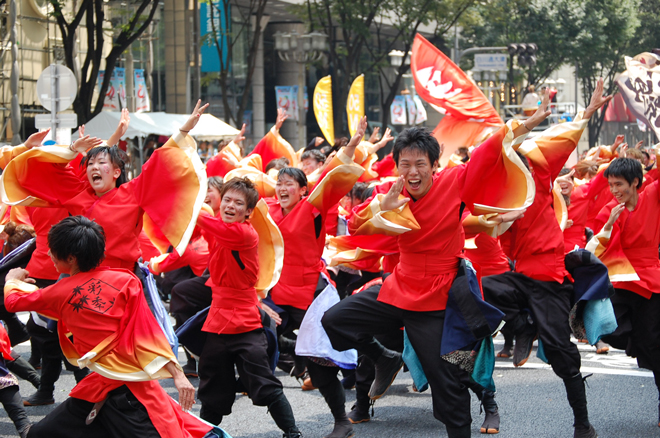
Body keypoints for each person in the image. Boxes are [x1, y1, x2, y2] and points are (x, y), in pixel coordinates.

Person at [320, 94, 546, 437]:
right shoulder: (390, 192)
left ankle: (481, 406)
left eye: (420, 164)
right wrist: (384, 205)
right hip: (398, 288)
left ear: (434, 165)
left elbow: (488, 152)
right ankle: (383, 357)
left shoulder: (454, 181)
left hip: (438, 298)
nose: (412, 172)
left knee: (449, 381)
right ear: (397, 166)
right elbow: (354, 225)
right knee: (335, 320)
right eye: (405, 164)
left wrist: (525, 124)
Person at [4, 216, 215, 438]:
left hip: (129, 393)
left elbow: (13, 302)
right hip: (103, 386)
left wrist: (13, 279)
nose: (49, 254)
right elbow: (148, 331)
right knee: (41, 433)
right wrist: (177, 374)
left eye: (53, 251)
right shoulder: (126, 281)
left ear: (71, 258)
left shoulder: (60, 291)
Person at [481, 81, 611, 438]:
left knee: (559, 351)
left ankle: (582, 423)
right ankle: (522, 325)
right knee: (481, 287)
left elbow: (563, 141)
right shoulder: (501, 195)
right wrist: (499, 219)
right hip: (520, 275)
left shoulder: (539, 175)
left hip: (549, 278)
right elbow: (487, 226)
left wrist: (587, 112)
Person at [264, 117, 368, 438]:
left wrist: (351, 146)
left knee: (321, 365)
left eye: (289, 184)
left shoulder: (313, 207)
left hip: (311, 295)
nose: (282, 188)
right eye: (279, 183)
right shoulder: (266, 210)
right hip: (277, 295)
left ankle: (342, 420)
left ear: (303, 190)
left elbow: (331, 177)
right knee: (255, 334)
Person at [194, 177, 302, 438]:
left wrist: (186, 201)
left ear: (249, 212)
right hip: (218, 320)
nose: (230, 206)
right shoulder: (222, 228)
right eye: (227, 200)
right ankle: (204, 435)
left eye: (238, 203)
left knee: (264, 382)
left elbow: (201, 219)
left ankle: (293, 433)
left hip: (245, 322)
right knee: (212, 386)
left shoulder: (243, 233)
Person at [586, 156, 660, 428]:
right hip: (621, 276)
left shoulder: (652, 196)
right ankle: (637, 342)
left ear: (636, 182)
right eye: (611, 185)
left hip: (651, 277)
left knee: (653, 345)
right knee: (606, 328)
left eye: (619, 184)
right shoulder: (609, 209)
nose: (614, 190)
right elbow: (597, 249)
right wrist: (608, 225)